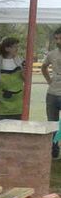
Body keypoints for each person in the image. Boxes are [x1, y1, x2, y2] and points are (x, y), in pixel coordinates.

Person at [0, 37, 24, 121]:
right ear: (7, 48)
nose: (17, 49)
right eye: (15, 47)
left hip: (16, 107)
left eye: (17, 47)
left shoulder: (19, 61)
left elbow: (25, 79)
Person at [40, 27, 61, 159]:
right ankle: (54, 150)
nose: (58, 41)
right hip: (53, 93)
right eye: (56, 38)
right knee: (52, 123)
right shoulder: (52, 54)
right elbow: (44, 67)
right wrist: (48, 80)